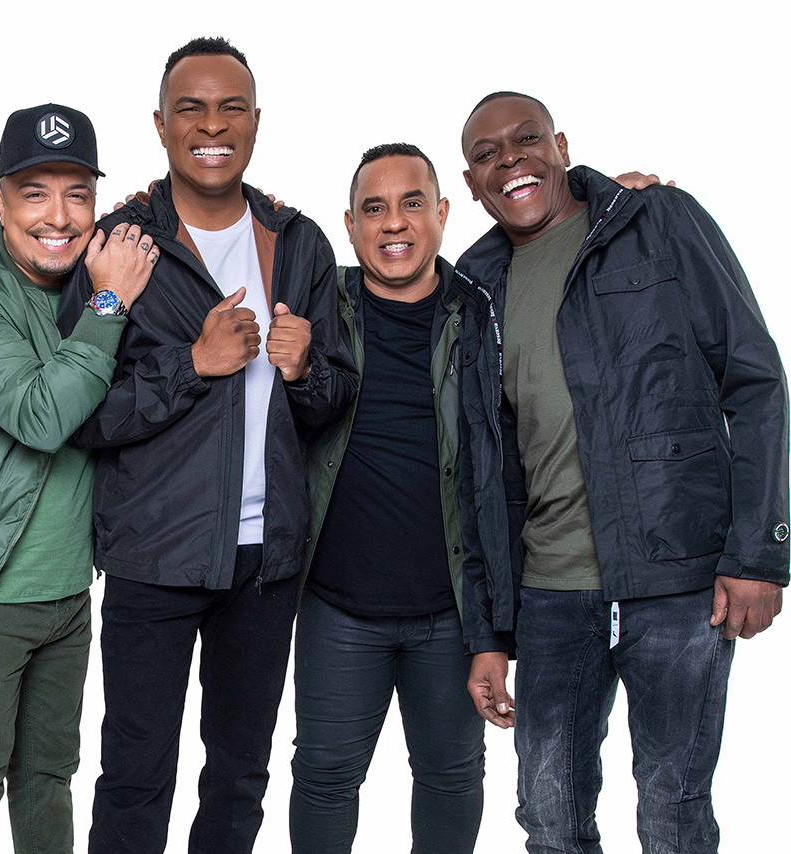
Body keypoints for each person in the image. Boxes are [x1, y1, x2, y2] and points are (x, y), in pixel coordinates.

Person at [456, 91, 788, 852]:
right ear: (471, 185)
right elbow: (483, 468)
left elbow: (755, 381)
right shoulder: (475, 284)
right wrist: (490, 627)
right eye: (486, 154)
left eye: (527, 139)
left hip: (677, 579)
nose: (510, 160)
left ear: (562, 147)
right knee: (549, 818)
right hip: (550, 592)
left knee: (673, 810)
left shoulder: (657, 222)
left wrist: (757, 555)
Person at [59, 37, 356, 854]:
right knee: (134, 775)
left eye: (231, 108)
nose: (212, 125)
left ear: (256, 122)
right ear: (161, 125)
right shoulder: (121, 245)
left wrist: (304, 371)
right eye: (191, 108)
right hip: (155, 553)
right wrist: (193, 364)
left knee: (240, 774)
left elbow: (333, 399)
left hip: (266, 562)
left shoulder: (299, 241)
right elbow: (80, 413)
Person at [0, 103, 156, 854]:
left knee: (50, 776)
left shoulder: (94, 279)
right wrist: (111, 303)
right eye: (35, 193)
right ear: (0, 202)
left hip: (68, 594)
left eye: (77, 194)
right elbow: (42, 416)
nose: (58, 216)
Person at [290, 143, 483, 853]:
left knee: (451, 774)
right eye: (374, 208)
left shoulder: (480, 310)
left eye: (411, 203)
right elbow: (231, 244)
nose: (394, 223)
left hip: (452, 610)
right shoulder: (321, 304)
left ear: (442, 213)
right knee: (324, 776)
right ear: (350, 224)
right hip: (338, 606)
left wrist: (604, 195)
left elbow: (553, 245)